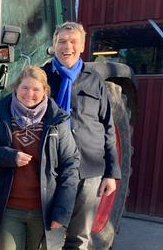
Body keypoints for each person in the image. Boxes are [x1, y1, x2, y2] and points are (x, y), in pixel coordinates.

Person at [0, 66, 80, 250]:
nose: (29, 94)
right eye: (25, 88)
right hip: (9, 209)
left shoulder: (57, 121)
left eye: (36, 89)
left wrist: (61, 212)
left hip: (44, 211)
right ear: (16, 88)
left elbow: (70, 165)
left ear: (45, 92)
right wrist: (8, 156)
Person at [43, 21, 121, 249]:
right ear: (54, 45)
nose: (67, 47)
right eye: (62, 42)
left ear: (82, 46)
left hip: (89, 169)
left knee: (80, 238)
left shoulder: (94, 79)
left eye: (73, 42)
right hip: (53, 168)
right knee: (48, 234)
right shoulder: (43, 77)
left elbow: (107, 127)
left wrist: (111, 173)